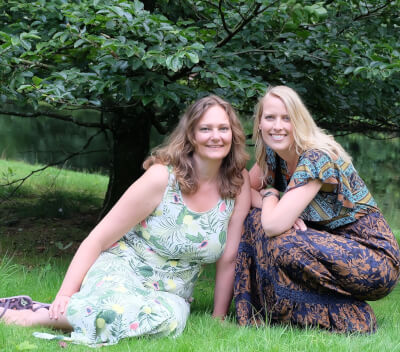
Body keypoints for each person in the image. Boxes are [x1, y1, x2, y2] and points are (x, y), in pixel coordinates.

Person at [0, 95, 251, 346]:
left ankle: (70, 311)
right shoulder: (162, 178)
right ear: (191, 135)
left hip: (170, 294)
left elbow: (229, 258)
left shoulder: (237, 183)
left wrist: (218, 316)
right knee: (114, 309)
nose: (216, 136)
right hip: (124, 269)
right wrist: (65, 293)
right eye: (205, 129)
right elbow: (97, 239)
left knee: (166, 322)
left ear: (233, 134)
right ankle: (33, 317)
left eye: (223, 128)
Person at [234, 85, 400, 333]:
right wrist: (274, 203)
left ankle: (353, 316)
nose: (277, 126)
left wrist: (270, 196)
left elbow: (273, 225)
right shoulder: (274, 153)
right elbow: (244, 189)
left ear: (299, 121)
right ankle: (273, 310)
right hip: (327, 246)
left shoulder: (315, 157)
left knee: (281, 239)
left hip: (374, 259)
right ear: (259, 123)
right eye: (270, 117)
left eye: (287, 118)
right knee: (254, 219)